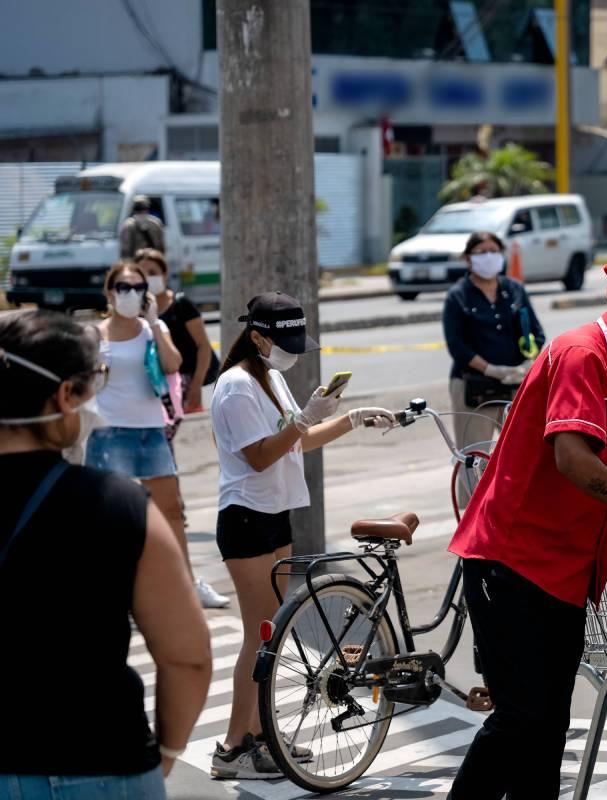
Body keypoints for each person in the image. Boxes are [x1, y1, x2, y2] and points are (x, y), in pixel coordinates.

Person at [446, 241, 607, 798]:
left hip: (561, 569)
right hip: (514, 561)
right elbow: (573, 457)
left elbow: (601, 472)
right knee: (522, 717)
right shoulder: (583, 353)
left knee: (548, 724)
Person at [0, 310, 211, 798]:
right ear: (63, 395)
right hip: (101, 762)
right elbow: (188, 657)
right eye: (91, 383)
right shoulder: (119, 503)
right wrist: (167, 751)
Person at [209, 292, 394, 779]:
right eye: (285, 343)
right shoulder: (236, 385)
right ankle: (236, 746)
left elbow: (301, 439)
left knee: (269, 637)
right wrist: (304, 418)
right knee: (259, 637)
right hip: (246, 517)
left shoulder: (270, 377)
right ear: (257, 337)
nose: (292, 353)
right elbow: (259, 456)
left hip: (276, 514)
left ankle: (255, 737)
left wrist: (351, 418)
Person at [86, 263, 225, 605]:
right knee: (112, 516)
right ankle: (111, 588)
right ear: (110, 292)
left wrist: (152, 324)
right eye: (124, 287)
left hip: (151, 431)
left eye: (138, 287)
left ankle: (186, 583)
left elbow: (173, 364)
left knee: (171, 510)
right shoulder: (95, 335)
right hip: (109, 432)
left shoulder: (155, 328)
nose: (131, 294)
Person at [443, 231, 545, 453]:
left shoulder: (515, 289)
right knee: (474, 457)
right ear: (468, 259)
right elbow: (457, 346)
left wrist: (527, 365)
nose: (488, 256)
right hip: (475, 388)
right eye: (481, 252)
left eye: (493, 251)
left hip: (515, 385)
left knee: (523, 454)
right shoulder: (458, 296)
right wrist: (491, 369)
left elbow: (536, 333)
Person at [138, 249, 211, 416]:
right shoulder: (136, 312)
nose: (148, 278)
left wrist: (196, 385)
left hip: (184, 386)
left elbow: (204, 346)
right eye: (142, 273)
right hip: (151, 387)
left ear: (165, 275)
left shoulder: (182, 305)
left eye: (153, 272)